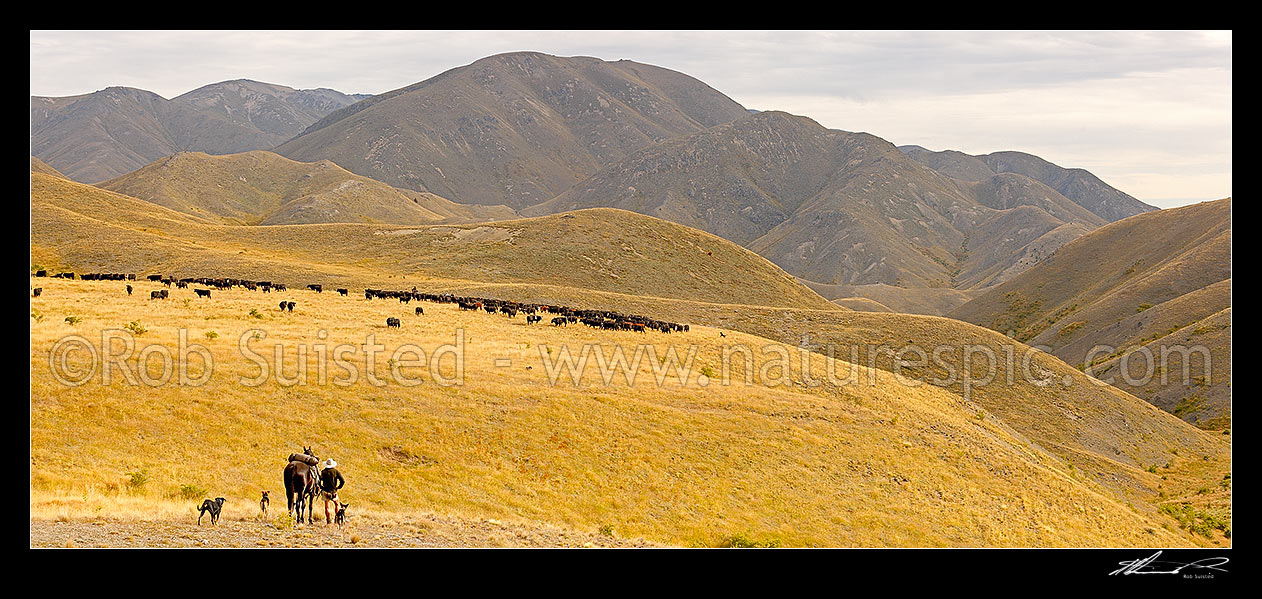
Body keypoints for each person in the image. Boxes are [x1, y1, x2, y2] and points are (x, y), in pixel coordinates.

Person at [319, 458, 345, 525]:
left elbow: (319, 481)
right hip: (333, 491)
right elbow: (342, 481)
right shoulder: (336, 471)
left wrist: (321, 487)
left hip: (325, 491)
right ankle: (336, 519)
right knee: (336, 504)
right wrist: (338, 487)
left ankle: (328, 521)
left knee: (327, 506)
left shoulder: (323, 472)